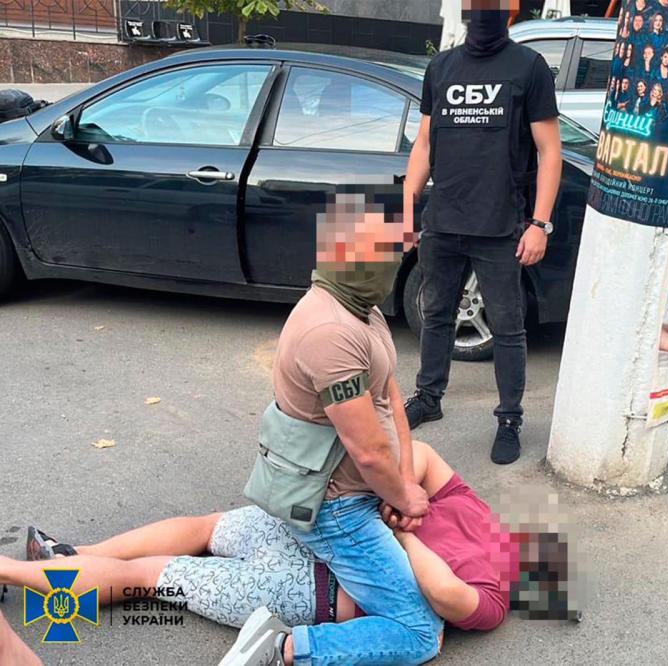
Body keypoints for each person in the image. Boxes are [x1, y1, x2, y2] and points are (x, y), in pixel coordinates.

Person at [2, 443, 528, 640]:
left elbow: (421, 458)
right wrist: (398, 529)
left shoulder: (477, 514)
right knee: (151, 575)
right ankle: (39, 564)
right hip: (308, 586)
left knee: (202, 529)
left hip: (313, 534)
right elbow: (444, 594)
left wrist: (395, 510)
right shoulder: (493, 592)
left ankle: (70, 554)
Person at [224, 190, 438, 666]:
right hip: (337, 507)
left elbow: (388, 396)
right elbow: (367, 451)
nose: (398, 259)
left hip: (366, 489)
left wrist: (401, 484)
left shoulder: (360, 306)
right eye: (387, 251)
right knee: (420, 633)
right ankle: (284, 648)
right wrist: (403, 496)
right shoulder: (331, 332)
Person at [403, 2, 562, 465]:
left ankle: (509, 419)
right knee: (436, 315)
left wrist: (540, 224)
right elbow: (425, 142)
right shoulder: (441, 67)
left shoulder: (528, 67)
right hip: (443, 221)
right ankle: (428, 397)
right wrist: (407, 208)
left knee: (508, 328)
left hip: (499, 225)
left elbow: (549, 151)